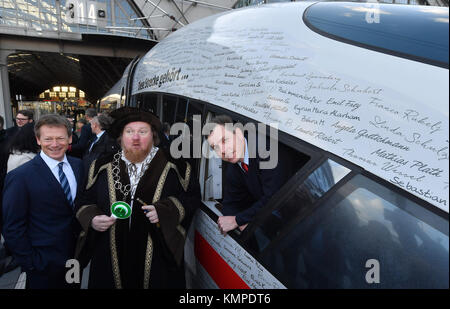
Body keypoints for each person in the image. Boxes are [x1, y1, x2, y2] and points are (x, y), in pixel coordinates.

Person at [75, 107, 198, 289]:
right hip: (110, 253)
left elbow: (192, 198)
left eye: (143, 132)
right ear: (121, 137)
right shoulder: (100, 165)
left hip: (157, 256)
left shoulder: (177, 166)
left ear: (153, 135)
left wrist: (166, 211)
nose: (135, 138)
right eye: (129, 131)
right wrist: (92, 218)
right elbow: (84, 199)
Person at [2, 114, 84, 289]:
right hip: (42, 265)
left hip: (74, 259)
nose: (54, 144)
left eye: (60, 138)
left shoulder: (79, 166)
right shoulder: (20, 176)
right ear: (38, 140)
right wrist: (31, 262)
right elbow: (12, 226)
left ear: (70, 138)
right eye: (48, 139)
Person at [206, 115, 297, 235]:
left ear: (238, 133)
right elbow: (230, 203)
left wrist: (238, 220)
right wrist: (241, 221)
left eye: (224, 140)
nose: (222, 150)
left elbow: (274, 200)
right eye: (215, 147)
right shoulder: (235, 165)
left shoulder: (267, 152)